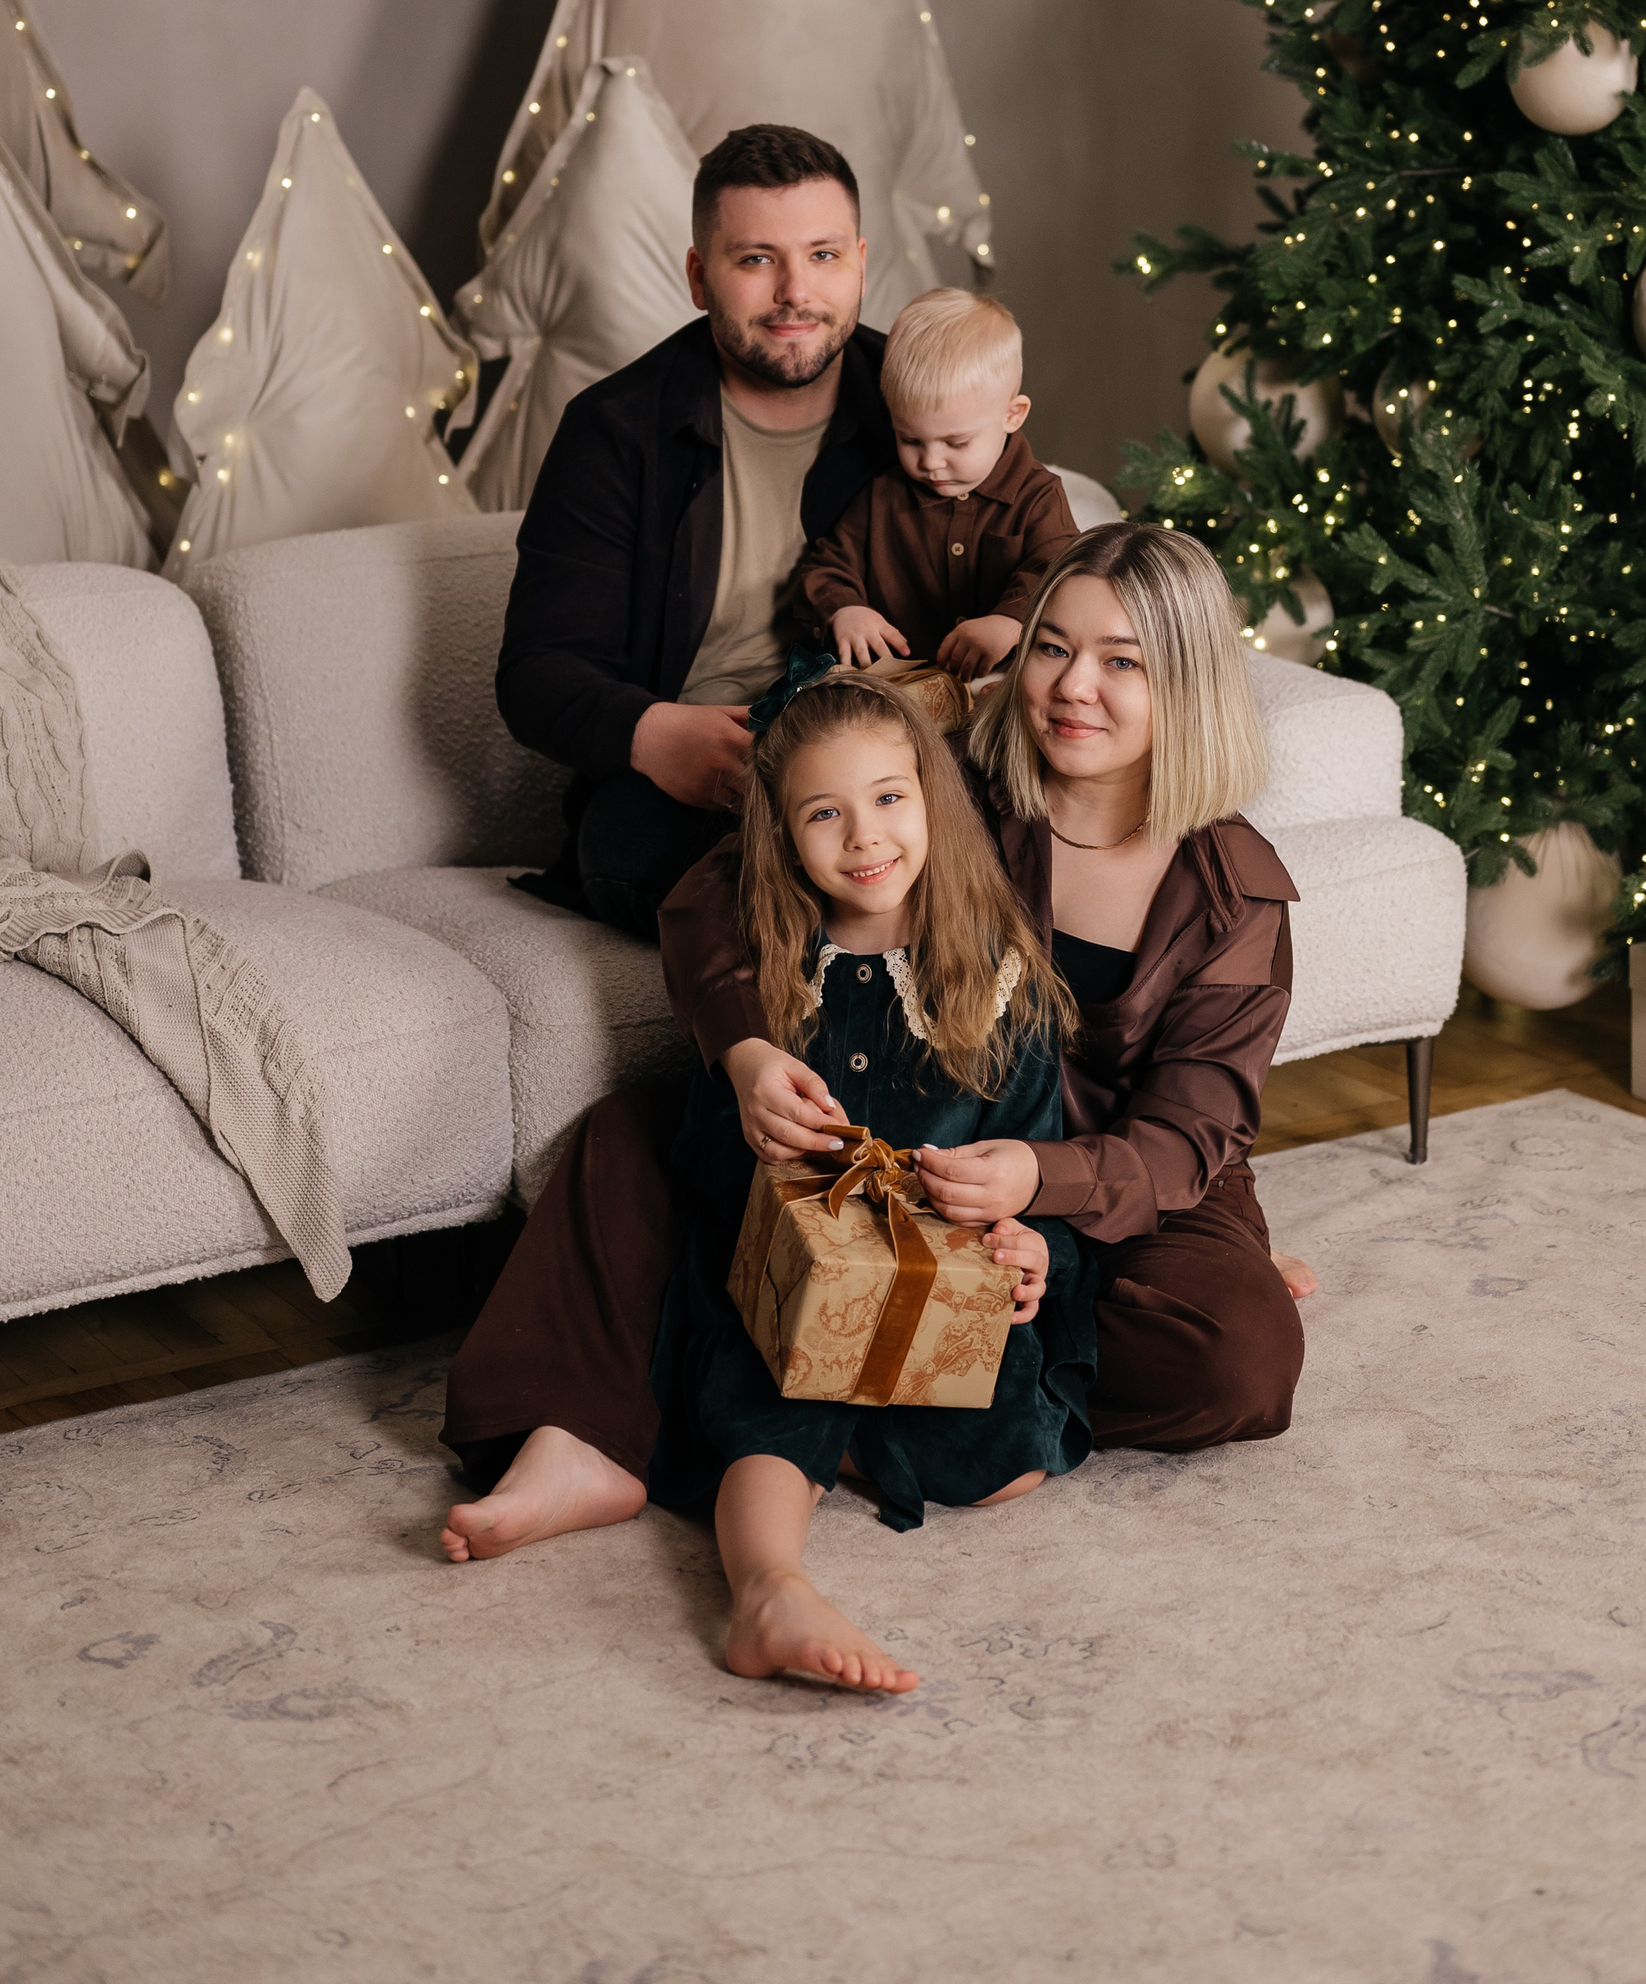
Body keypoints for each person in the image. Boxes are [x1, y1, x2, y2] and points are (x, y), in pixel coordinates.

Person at [439, 522, 1306, 1563]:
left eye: (1122, 662)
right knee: (630, 1137)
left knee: (1238, 1357)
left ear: (1190, 685)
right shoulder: (942, 778)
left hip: (1115, 1187)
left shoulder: (1234, 891)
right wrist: (747, 1053)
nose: (1074, 686)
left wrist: (1039, 1184)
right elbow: (718, 889)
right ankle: (585, 1438)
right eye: (1051, 646)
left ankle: (802, 1387)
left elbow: (1188, 1136)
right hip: (896, 1127)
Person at [642, 673, 1095, 1690]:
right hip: (794, 1286)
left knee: (1009, 1461)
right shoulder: (770, 971)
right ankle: (768, 1591)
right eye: (824, 813)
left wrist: (1033, 1248)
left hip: (941, 1284)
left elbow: (1033, 1162)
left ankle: (845, 1443)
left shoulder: (1003, 976)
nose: (864, 837)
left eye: (889, 798)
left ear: (933, 801)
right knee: (775, 1393)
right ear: (781, 833)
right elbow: (715, 1158)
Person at [494, 120, 894, 939]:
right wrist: (651, 735)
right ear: (699, 276)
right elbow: (537, 673)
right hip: (701, 791)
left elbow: (1028, 549)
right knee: (632, 840)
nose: (794, 292)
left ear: (860, 262)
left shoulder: (916, 401)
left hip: (894, 768)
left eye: (822, 255)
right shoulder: (613, 431)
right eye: (756, 260)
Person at [798, 286, 1078, 682]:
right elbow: (827, 565)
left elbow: (1061, 570)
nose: (930, 462)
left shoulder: (1038, 495)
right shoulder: (882, 496)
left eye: (956, 443)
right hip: (901, 688)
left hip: (1003, 685)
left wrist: (1009, 621)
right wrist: (845, 610)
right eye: (910, 440)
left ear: (1012, 415)